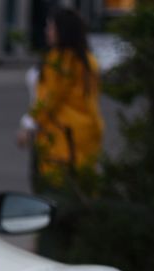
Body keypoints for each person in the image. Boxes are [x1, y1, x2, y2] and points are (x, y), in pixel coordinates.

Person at [16, 7, 104, 189]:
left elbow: (50, 100)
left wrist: (29, 125)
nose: (46, 31)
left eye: (50, 27)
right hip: (84, 131)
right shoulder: (86, 59)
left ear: (62, 31)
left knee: (55, 191)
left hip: (62, 135)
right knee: (80, 187)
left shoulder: (62, 61)